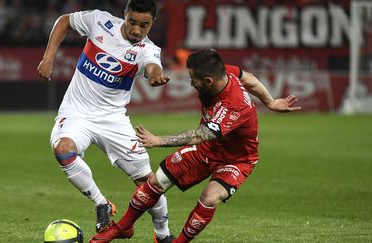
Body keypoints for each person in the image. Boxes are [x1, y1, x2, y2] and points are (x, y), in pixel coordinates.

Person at [89, 49, 301, 242]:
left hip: (236, 161)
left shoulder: (233, 106)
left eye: (193, 80)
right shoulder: (224, 72)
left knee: (209, 197)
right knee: (156, 182)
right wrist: (271, 102)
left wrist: (159, 140)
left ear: (208, 81)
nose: (191, 83)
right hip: (208, 151)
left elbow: (200, 135)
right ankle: (122, 228)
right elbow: (250, 79)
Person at [37, 0, 174, 242]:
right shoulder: (100, 21)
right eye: (132, 22)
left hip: (114, 120)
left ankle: (163, 236)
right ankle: (102, 203)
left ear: (152, 23)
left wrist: (156, 75)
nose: (136, 30)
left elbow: (153, 67)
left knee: (149, 183)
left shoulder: (147, 49)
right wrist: (48, 58)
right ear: (125, 15)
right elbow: (64, 21)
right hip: (77, 112)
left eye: (144, 25)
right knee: (63, 149)